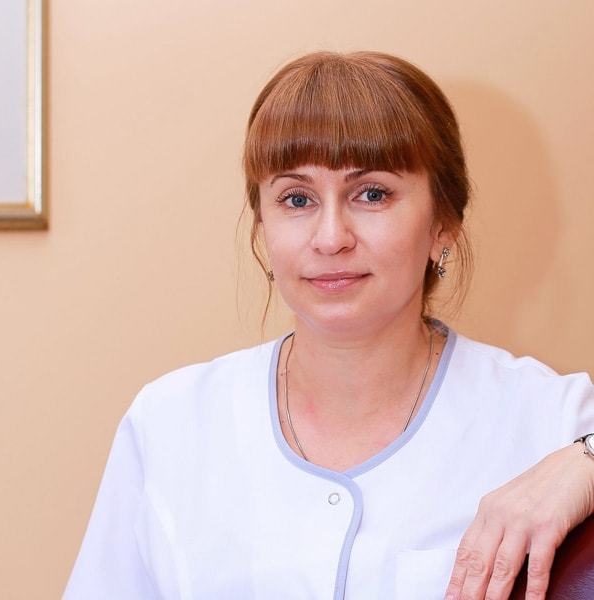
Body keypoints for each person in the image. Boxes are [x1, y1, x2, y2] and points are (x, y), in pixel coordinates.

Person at [64, 51, 594, 600]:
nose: (331, 237)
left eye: (372, 194)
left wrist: (589, 460)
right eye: (297, 199)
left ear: (443, 224)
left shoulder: (552, 417)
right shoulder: (168, 423)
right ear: (262, 228)